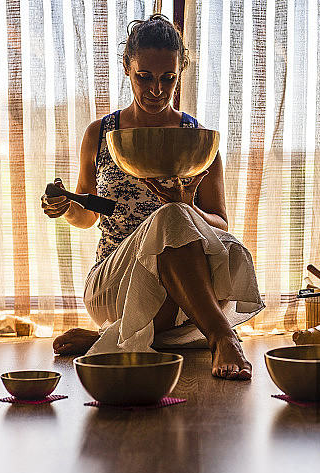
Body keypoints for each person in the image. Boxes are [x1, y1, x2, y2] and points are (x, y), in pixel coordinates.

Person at [40, 14, 263, 380]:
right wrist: (67, 207)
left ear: (179, 74)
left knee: (183, 221)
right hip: (115, 284)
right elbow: (88, 215)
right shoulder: (100, 133)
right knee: (171, 217)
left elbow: (221, 225)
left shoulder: (199, 141)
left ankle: (110, 339)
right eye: (144, 76)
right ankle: (222, 335)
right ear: (128, 67)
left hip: (183, 292)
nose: (156, 90)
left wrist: (187, 206)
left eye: (167, 79)